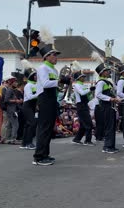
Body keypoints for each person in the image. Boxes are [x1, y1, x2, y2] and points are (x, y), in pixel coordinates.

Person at [33, 31, 69, 166]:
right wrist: (60, 81)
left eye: (56, 55)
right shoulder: (43, 68)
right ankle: (38, 156)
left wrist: (61, 84)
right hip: (44, 99)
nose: (56, 57)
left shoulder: (53, 70)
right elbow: (45, 84)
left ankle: (45, 154)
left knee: (49, 129)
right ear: (47, 56)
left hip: (52, 99)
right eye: (54, 55)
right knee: (44, 128)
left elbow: (54, 85)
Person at [94, 59, 121, 153]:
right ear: (102, 73)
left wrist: (116, 98)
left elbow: (112, 93)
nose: (108, 72)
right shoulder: (101, 82)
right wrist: (110, 99)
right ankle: (107, 147)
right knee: (109, 126)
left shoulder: (108, 82)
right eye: (106, 71)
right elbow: (98, 94)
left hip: (111, 106)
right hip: (106, 106)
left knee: (112, 126)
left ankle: (111, 146)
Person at [72, 70, 96, 146]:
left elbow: (88, 96)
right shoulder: (77, 85)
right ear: (79, 78)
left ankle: (76, 139)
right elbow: (82, 93)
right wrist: (90, 89)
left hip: (84, 105)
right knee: (88, 123)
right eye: (82, 77)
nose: (84, 78)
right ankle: (87, 141)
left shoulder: (83, 85)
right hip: (80, 106)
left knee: (83, 125)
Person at [20, 66, 38, 150]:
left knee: (28, 125)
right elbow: (30, 97)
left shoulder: (36, 85)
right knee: (32, 123)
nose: (36, 77)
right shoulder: (28, 85)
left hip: (33, 106)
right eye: (34, 75)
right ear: (31, 76)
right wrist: (40, 94)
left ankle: (24, 143)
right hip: (27, 106)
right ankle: (29, 143)